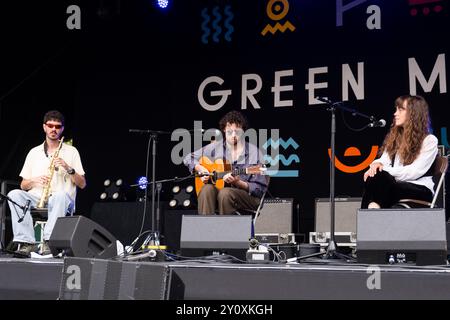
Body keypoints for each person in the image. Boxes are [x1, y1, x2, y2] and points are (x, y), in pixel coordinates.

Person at [7, 110, 86, 256]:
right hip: (37, 196)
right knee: (14, 194)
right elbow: (23, 185)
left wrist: (68, 168)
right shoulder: (34, 152)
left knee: (60, 195)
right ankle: (27, 242)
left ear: (62, 129)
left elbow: (82, 184)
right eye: (50, 125)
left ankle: (49, 242)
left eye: (57, 126)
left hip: (60, 199)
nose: (54, 129)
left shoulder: (71, 151)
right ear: (44, 127)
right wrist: (34, 180)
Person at [183, 110, 268, 215]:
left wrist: (238, 183)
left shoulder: (254, 152)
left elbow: (259, 190)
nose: (233, 135)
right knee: (206, 189)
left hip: (248, 198)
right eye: (229, 132)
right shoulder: (215, 147)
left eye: (237, 132)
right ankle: (206, 229)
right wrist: (200, 168)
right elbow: (188, 158)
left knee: (226, 193)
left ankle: (226, 230)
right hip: (220, 194)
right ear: (224, 130)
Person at [361, 95, 438, 209]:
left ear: (413, 113)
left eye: (400, 109)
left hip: (420, 188)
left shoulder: (429, 140)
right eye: (396, 109)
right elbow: (384, 160)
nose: (395, 114)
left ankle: (368, 216)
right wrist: (377, 164)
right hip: (395, 185)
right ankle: (373, 209)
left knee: (381, 181)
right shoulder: (396, 138)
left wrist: (383, 170)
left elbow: (414, 172)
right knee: (376, 177)